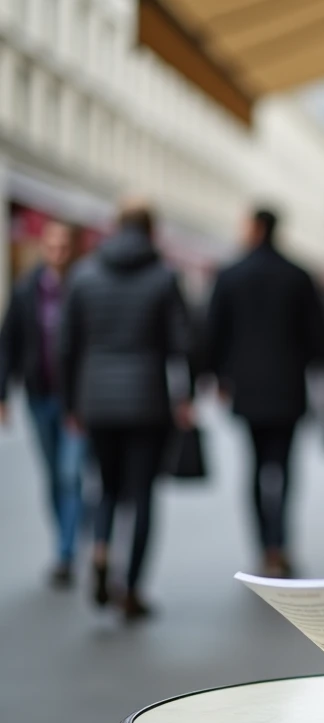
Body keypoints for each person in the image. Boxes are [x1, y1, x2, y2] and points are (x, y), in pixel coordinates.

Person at [60, 200, 194, 620]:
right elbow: (182, 343)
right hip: (147, 400)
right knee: (142, 495)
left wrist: (71, 403)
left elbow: (66, 346)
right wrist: (186, 396)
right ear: (152, 231)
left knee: (105, 487)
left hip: (96, 399)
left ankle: (100, 551)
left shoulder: (84, 275)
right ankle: (132, 588)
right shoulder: (164, 277)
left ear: (115, 227)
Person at [206, 207, 324, 578]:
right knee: (284, 468)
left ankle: (263, 547)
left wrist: (213, 377)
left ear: (255, 227)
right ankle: (280, 544)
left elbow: (213, 330)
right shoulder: (297, 275)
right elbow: (320, 332)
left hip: (246, 388)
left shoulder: (231, 274)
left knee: (253, 467)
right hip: (288, 388)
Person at [0, 220, 87, 587]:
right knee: (53, 475)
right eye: (51, 246)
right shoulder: (26, 290)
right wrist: (3, 393)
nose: (57, 253)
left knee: (70, 473)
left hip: (77, 401)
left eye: (63, 246)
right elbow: (8, 343)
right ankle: (67, 534)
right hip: (39, 395)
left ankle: (66, 552)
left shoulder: (83, 286)